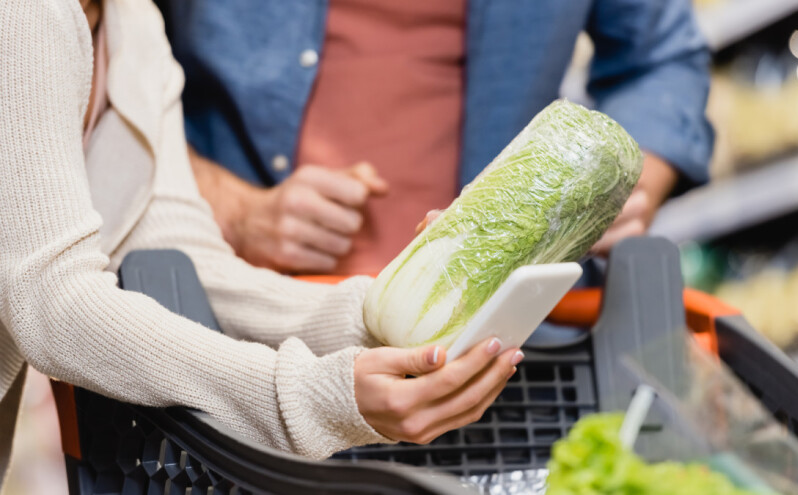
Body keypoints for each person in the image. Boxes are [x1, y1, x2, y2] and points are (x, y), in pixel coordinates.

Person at [0, 0, 523, 483]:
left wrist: (380, 316)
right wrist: (305, 397)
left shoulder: (132, 21)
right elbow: (51, 299)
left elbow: (180, 254)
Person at [156, 0, 714, 275]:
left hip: (498, 344)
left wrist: (626, 186)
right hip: (235, 330)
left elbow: (660, 58)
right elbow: (92, 67)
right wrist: (232, 208)